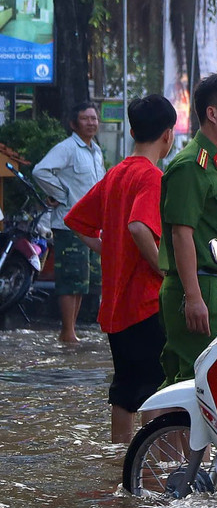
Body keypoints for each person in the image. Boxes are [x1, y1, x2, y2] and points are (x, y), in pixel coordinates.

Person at [63, 95, 177, 443]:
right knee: (158, 390)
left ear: (131, 131)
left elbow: (77, 221)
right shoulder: (151, 176)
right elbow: (140, 228)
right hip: (143, 303)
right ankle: (154, 472)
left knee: (125, 390)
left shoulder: (117, 173)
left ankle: (122, 464)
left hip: (114, 307)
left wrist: (110, 250)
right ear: (168, 135)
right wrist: (163, 271)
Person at [157, 74, 217, 387]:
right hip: (197, 288)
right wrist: (193, 297)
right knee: (193, 383)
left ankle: (162, 438)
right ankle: (157, 438)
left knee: (202, 383)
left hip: (215, 287)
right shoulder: (190, 166)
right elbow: (181, 233)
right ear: (212, 113)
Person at [33, 100, 106, 342]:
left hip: (92, 227)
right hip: (69, 226)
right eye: (86, 119)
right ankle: (67, 332)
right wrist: (60, 194)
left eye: (94, 118)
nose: (91, 123)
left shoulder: (96, 151)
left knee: (82, 280)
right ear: (74, 124)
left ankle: (71, 330)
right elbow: (40, 171)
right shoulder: (66, 148)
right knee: (69, 279)